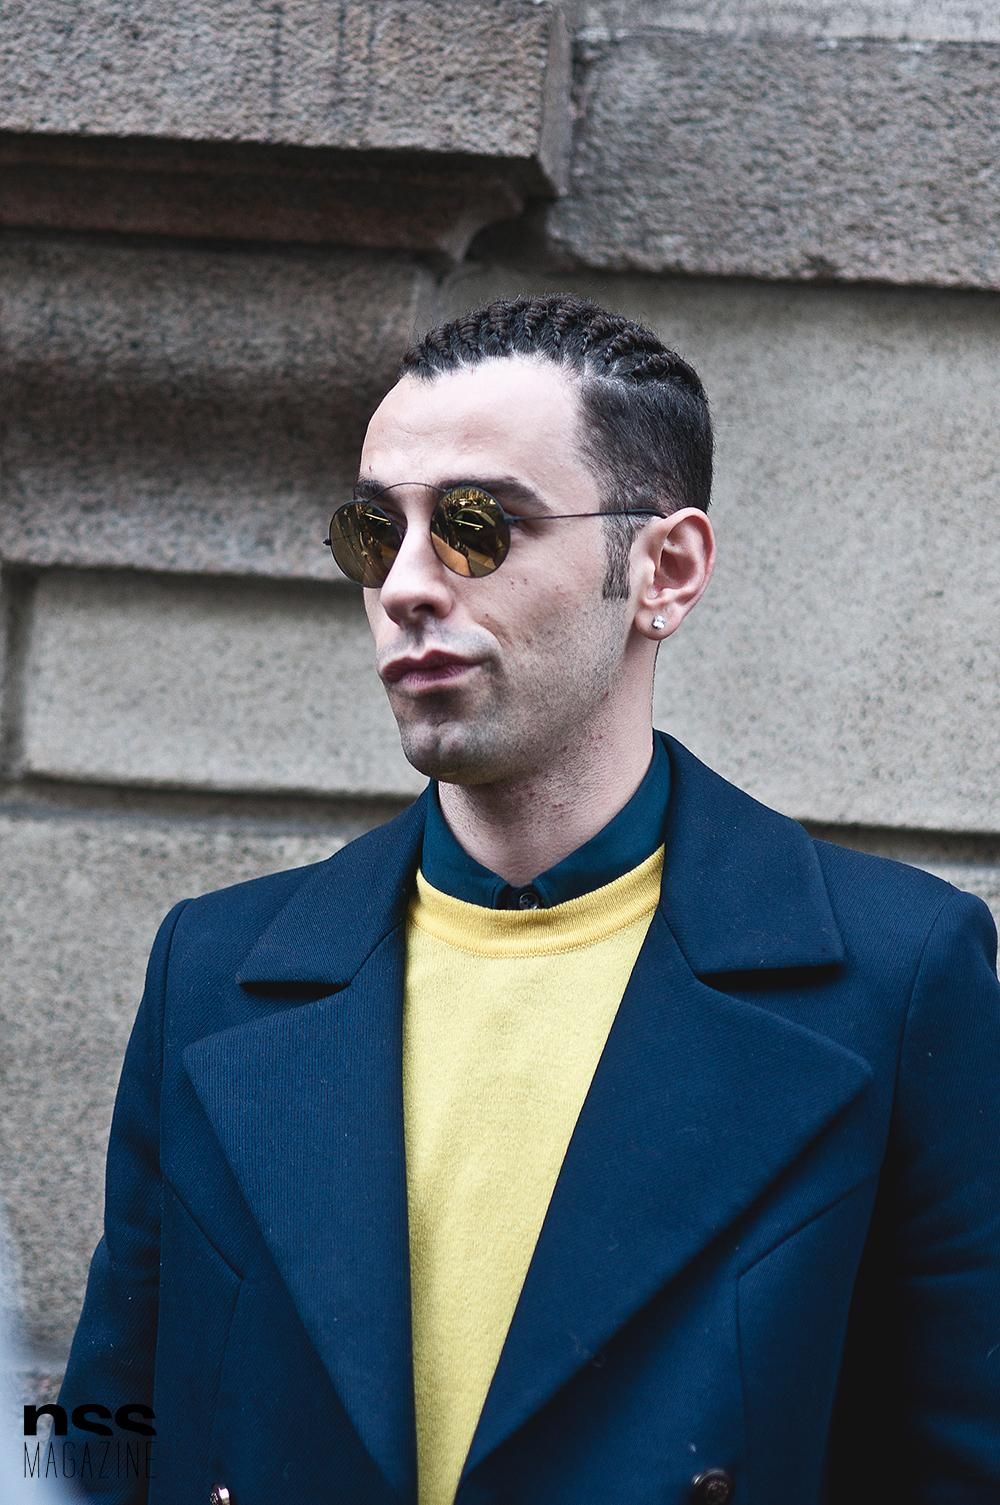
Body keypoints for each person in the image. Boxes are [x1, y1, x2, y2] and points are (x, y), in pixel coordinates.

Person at [54, 294, 999, 1505]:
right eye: (372, 531)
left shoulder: (893, 971)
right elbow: (99, 1422)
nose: (405, 584)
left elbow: (965, 1451)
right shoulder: (214, 963)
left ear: (663, 570)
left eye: (476, 526)